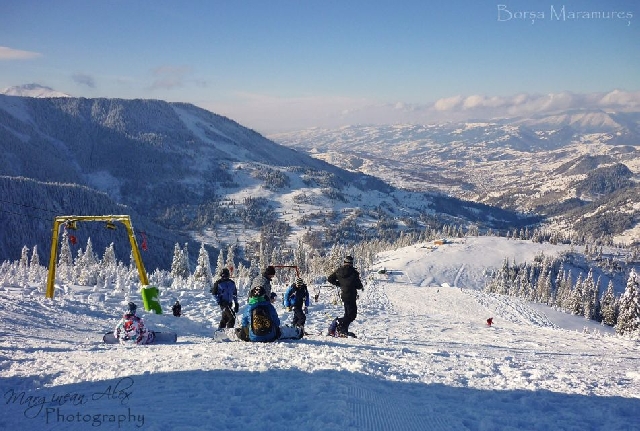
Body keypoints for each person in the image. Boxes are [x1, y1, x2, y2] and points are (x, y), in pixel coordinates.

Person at [327, 255, 364, 337]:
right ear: (351, 263)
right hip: (351, 295)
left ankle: (343, 330)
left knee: (347, 314)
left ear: (344, 262)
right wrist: (359, 286)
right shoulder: (354, 273)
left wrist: (339, 284)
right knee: (352, 315)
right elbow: (358, 285)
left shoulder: (339, 271)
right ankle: (337, 323)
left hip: (344, 295)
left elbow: (330, 279)